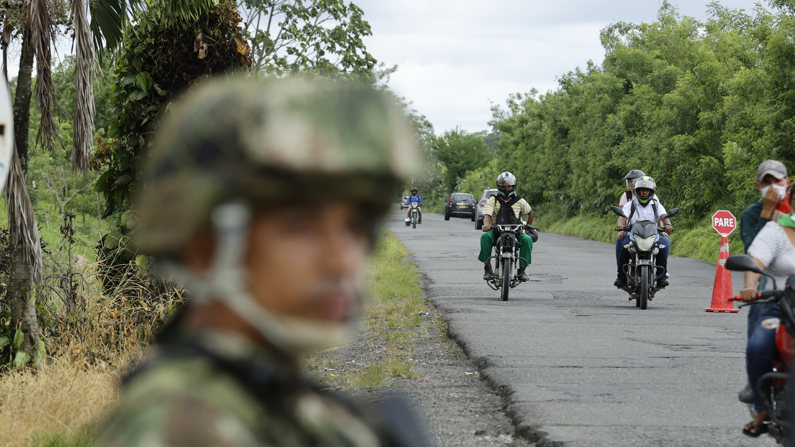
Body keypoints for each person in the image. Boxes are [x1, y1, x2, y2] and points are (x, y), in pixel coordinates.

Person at [96, 75, 432, 447]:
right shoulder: (185, 427)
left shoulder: (265, 396)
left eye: (354, 227)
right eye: (301, 226)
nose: (342, 263)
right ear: (205, 249)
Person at [736, 182, 795, 437]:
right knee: (759, 345)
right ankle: (762, 410)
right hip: (778, 305)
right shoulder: (775, 231)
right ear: (791, 202)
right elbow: (755, 262)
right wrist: (751, 286)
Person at [614, 176, 674, 288]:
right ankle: (621, 277)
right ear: (637, 191)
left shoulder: (656, 205)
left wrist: (668, 225)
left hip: (653, 235)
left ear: (651, 192)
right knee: (621, 243)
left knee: (665, 242)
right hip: (633, 234)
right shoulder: (630, 205)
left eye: (647, 190)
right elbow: (622, 217)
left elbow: (664, 216)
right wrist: (621, 226)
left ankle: (661, 277)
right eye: (642, 190)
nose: (644, 192)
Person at [477, 171, 534, 282]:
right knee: (485, 238)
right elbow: (487, 215)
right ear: (499, 186)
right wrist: (487, 225)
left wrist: (527, 228)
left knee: (527, 240)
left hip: (516, 232)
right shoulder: (493, 200)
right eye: (504, 186)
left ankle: (522, 270)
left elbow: (531, 212)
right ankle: (487, 268)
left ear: (513, 186)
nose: (507, 188)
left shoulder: (520, 200)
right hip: (497, 231)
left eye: (510, 186)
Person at [615, 170, 660, 273]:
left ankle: (661, 271)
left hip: (650, 231)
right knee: (621, 244)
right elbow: (622, 215)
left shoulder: (652, 197)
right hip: (631, 230)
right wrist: (622, 228)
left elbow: (659, 214)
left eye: (633, 181)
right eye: (629, 182)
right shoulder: (627, 196)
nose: (631, 184)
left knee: (663, 244)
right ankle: (621, 272)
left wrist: (663, 228)